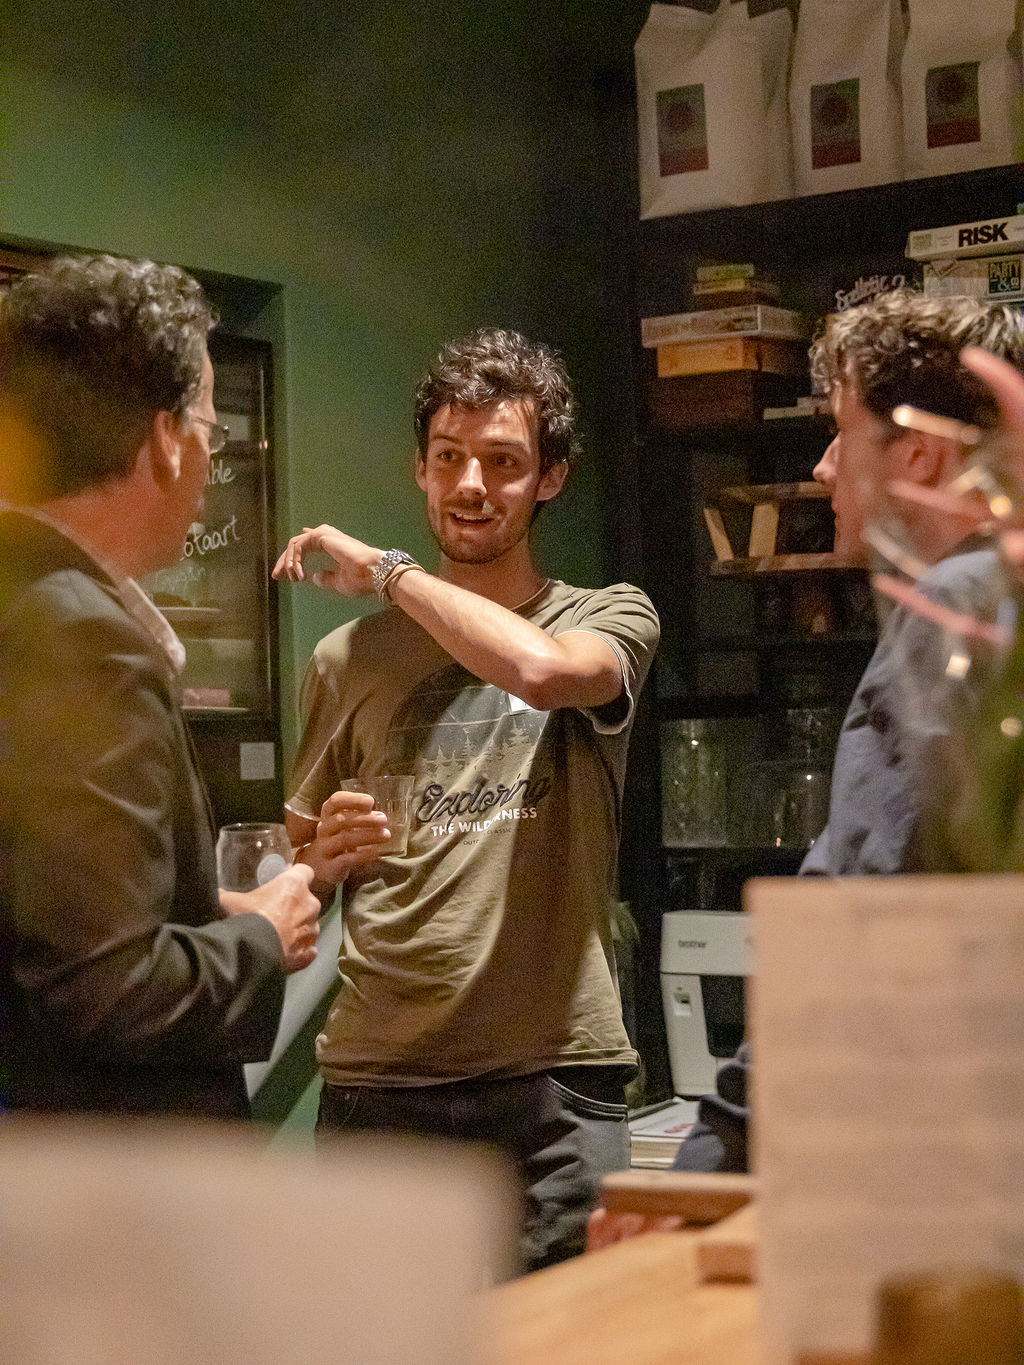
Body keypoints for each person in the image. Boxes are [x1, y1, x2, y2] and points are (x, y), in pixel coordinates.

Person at [273, 327, 660, 1270]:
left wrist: (389, 572)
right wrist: (322, 857)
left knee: (569, 1335)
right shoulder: (346, 659)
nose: (471, 484)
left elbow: (542, 671)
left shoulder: (607, 614)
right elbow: (290, 871)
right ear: (420, 468)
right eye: (448, 457)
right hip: (380, 1079)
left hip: (555, 1080)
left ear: (550, 477)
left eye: (503, 461)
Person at [670, 290, 1024, 1177]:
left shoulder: (954, 609)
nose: (824, 468)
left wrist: (714, 1153)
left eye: (841, 432)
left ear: (919, 453)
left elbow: (863, 918)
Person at [0, 254, 321, 1120]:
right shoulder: (84, 638)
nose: (210, 453)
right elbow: (104, 987)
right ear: (165, 440)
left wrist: (198, 904)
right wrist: (262, 938)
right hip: (98, 1171)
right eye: (210, 425)